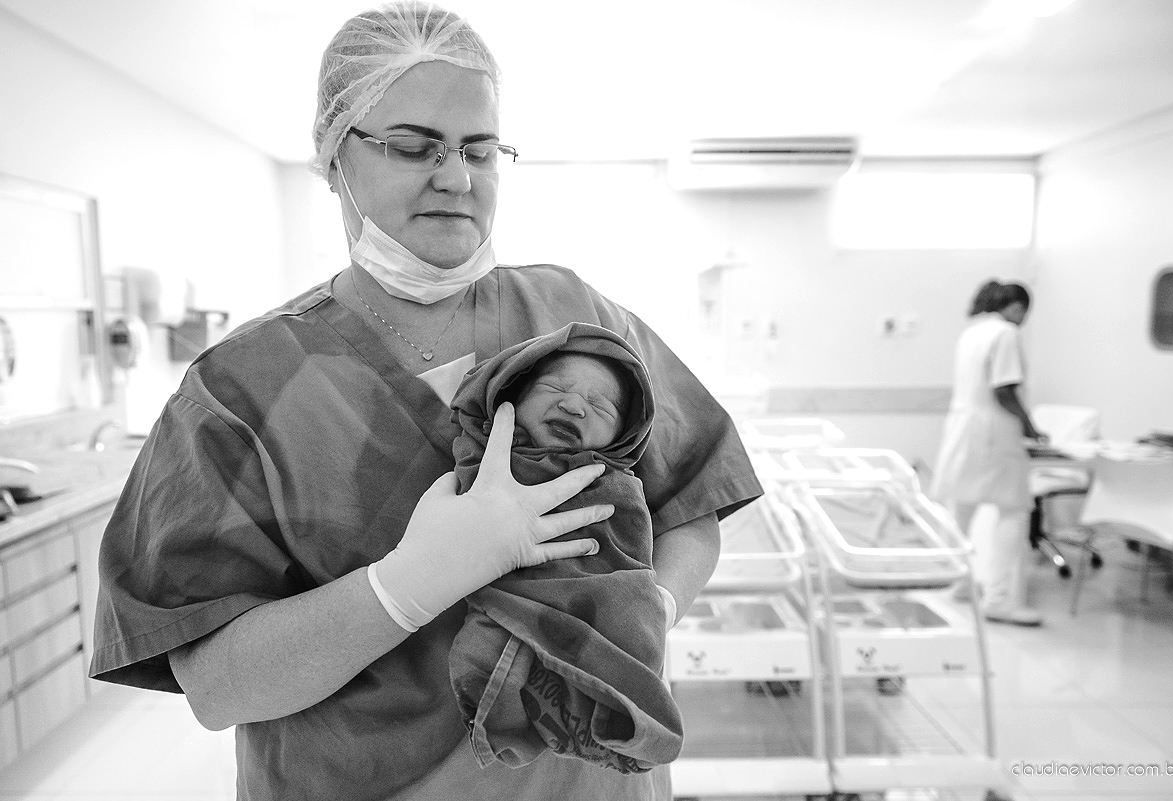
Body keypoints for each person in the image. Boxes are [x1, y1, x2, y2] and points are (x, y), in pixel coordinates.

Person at [87, 4, 763, 800]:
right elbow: (216, 685)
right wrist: (406, 584)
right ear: (334, 155)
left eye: (481, 149)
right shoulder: (240, 390)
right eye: (414, 146)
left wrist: (638, 613)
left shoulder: (577, 319)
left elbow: (692, 506)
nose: (456, 176)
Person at [447, 322, 680, 775]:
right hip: (501, 601)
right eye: (554, 386)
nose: (573, 405)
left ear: (623, 437)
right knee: (482, 652)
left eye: (601, 406)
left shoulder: (613, 484)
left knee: (628, 628)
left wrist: (651, 605)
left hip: (592, 596)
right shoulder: (481, 452)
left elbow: (627, 554)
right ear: (509, 393)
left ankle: (604, 715)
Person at [930, 279, 1046, 626]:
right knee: (1014, 510)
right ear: (1016, 307)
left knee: (962, 508)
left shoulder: (972, 333)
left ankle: (958, 583)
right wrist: (1029, 426)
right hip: (994, 434)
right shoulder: (1006, 334)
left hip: (965, 430)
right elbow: (1005, 390)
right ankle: (998, 598)